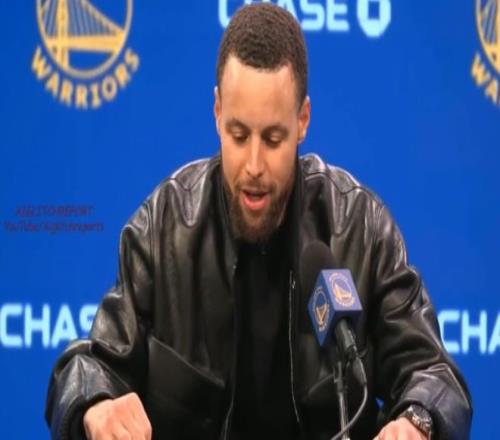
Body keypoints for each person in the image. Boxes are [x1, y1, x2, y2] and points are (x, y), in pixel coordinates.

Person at [45, 4, 472, 440]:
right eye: (238, 135)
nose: (253, 165)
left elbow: (435, 376)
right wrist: (96, 404)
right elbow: (88, 367)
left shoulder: (360, 229)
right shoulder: (164, 228)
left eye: (272, 139)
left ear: (302, 121)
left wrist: (417, 422)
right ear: (216, 111)